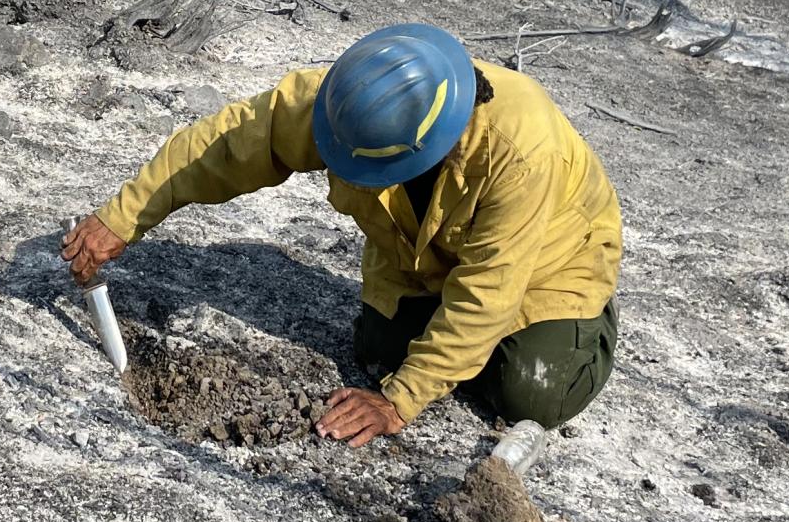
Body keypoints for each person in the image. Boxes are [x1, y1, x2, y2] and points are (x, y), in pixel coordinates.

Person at [62, 23, 622, 446]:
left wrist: (399, 403)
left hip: (550, 266)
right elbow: (228, 144)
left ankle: (581, 331)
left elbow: (491, 289)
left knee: (532, 393)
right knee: (381, 350)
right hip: (420, 256)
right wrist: (123, 216)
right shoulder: (349, 100)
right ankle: (456, 351)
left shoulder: (520, 153)